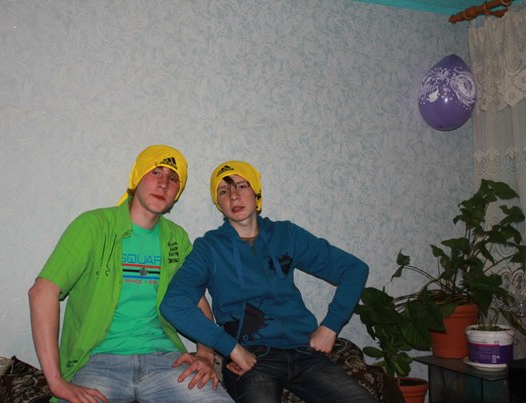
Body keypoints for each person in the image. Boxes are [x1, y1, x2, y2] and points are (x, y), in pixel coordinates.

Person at [28, 145, 232, 403]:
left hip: (165, 360)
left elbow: (196, 299)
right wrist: (56, 382)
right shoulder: (93, 226)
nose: (163, 183)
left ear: (176, 194)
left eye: (173, 179)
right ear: (137, 178)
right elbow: (42, 292)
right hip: (98, 362)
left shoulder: (176, 238)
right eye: (156, 172)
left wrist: (205, 353)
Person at [161, 160, 376, 403]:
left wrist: (330, 327)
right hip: (252, 359)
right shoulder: (209, 248)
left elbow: (354, 269)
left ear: (256, 193)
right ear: (218, 204)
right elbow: (174, 303)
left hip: (304, 352)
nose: (233, 196)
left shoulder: (287, 234)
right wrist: (232, 348)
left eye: (242, 186)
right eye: (223, 191)